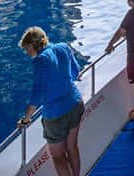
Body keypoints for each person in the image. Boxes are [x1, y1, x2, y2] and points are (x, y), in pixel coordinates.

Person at [18, 26, 84, 176]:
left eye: (26, 49)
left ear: (31, 46)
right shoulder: (63, 47)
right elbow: (75, 71)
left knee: (58, 156)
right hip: (75, 103)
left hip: (55, 115)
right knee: (72, 147)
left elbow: (37, 95)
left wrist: (26, 119)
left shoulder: (40, 60)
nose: (27, 53)